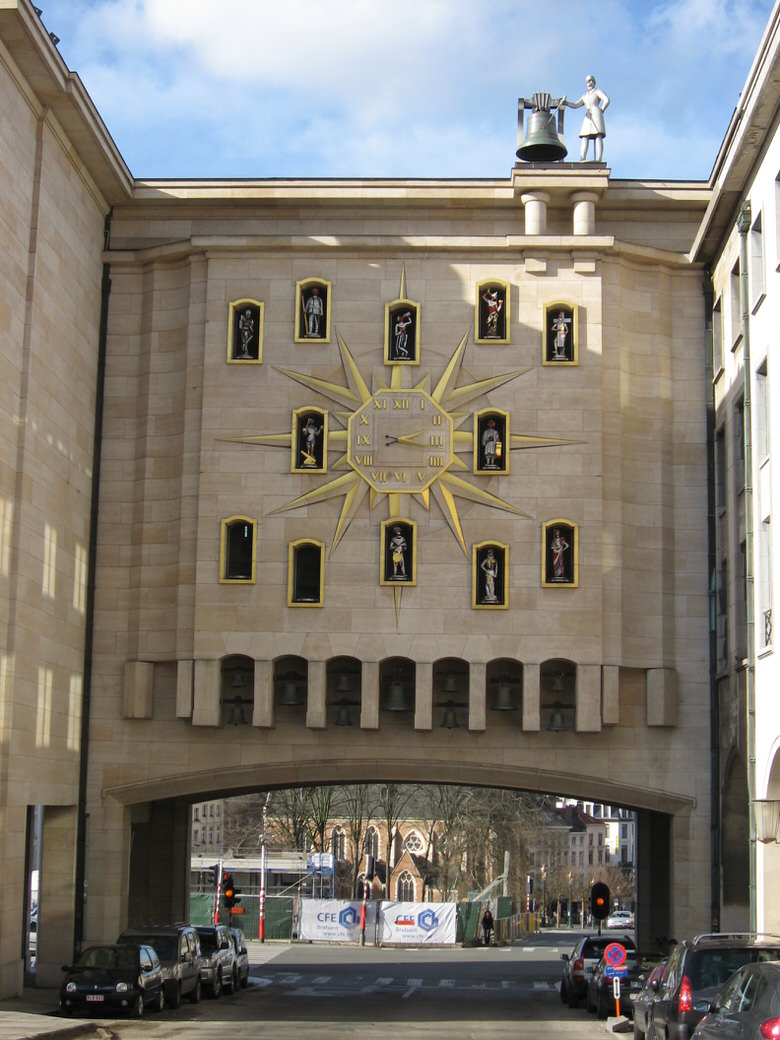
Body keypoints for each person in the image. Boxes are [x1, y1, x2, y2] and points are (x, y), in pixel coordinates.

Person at [563, 75, 610, 161]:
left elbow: (606, 100)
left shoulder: (597, 91)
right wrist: (566, 103)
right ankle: (582, 158)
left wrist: (602, 109)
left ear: (594, 82)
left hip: (596, 113)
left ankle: (599, 158)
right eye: (587, 81)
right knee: (585, 136)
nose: (589, 83)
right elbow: (576, 104)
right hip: (588, 116)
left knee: (598, 135)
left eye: (590, 80)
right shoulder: (585, 95)